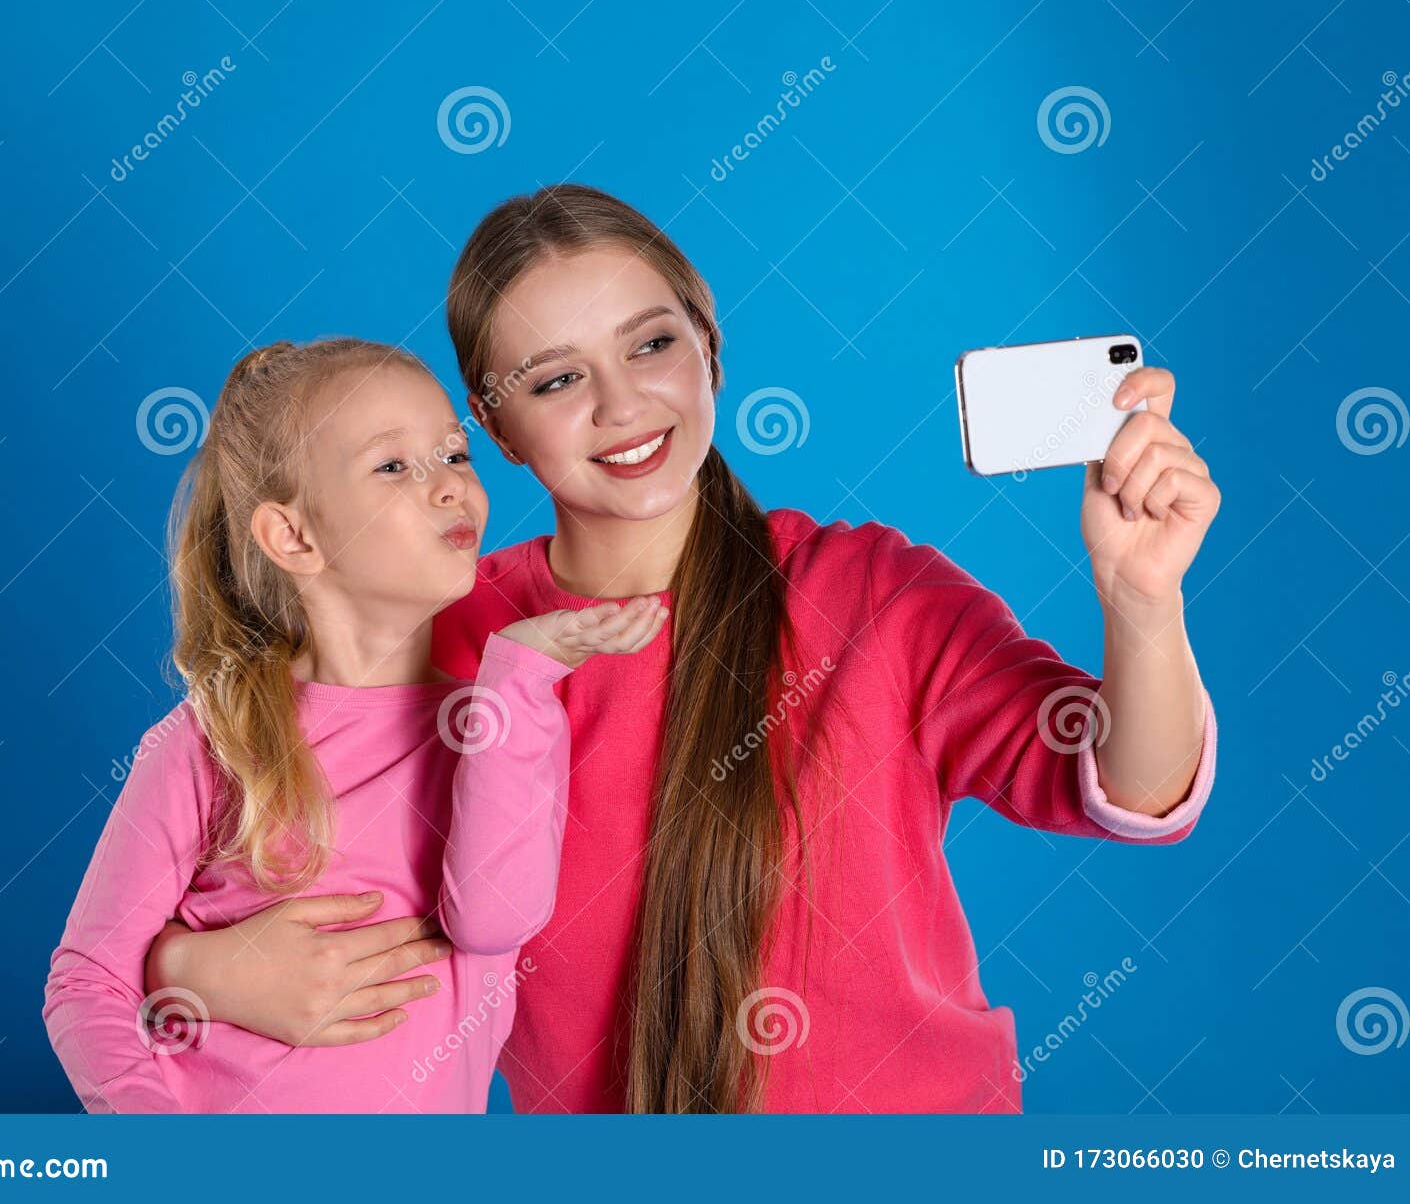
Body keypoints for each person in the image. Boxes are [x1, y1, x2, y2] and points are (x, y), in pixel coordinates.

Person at [144, 186, 1220, 1113]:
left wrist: (1141, 599)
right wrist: (192, 965)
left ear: (709, 344)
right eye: (556, 379)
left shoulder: (870, 591)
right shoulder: (442, 640)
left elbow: (1129, 784)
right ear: (495, 425)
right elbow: (265, 869)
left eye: (652, 344)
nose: (622, 405)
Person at [44, 337, 665, 1111]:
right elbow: (86, 981)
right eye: (394, 466)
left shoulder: (503, 717)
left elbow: (492, 918)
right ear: (295, 537)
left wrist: (520, 677)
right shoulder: (208, 743)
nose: (449, 487)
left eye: (454, 454)